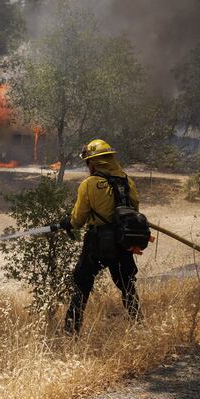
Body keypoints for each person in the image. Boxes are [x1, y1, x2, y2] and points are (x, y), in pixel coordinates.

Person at [53, 139, 142, 334]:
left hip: (97, 242)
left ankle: (71, 332)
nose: (88, 166)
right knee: (127, 286)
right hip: (122, 242)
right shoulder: (127, 181)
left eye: (88, 162)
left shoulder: (89, 184)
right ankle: (139, 326)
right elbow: (135, 210)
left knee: (81, 286)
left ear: (94, 162)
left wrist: (69, 222)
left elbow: (77, 220)